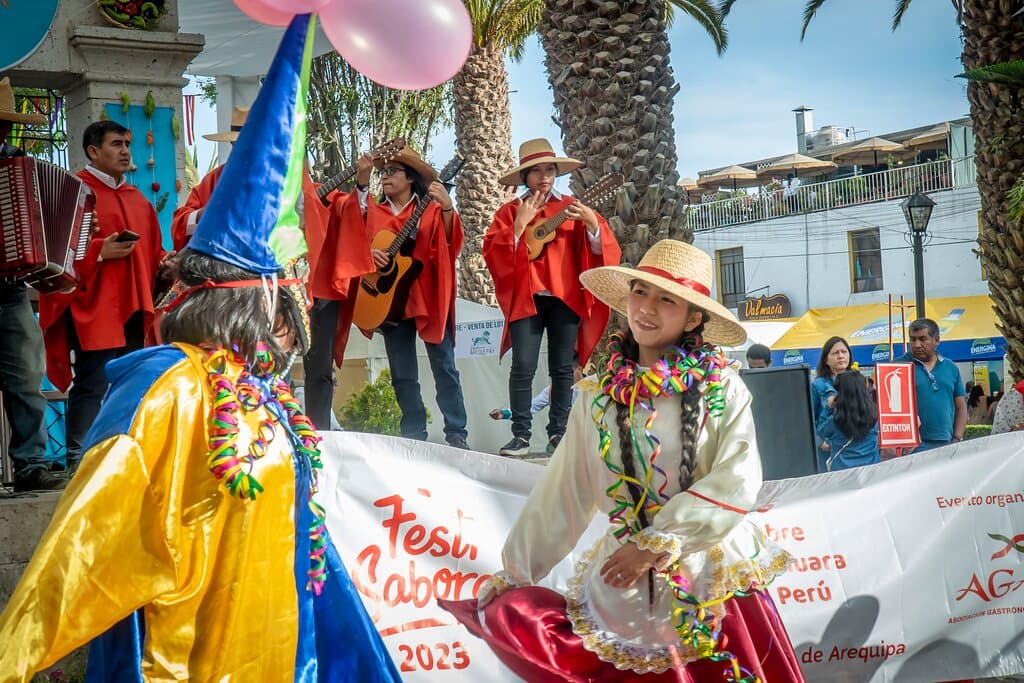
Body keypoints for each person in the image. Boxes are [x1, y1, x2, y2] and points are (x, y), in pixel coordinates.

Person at [0, 17, 401, 680]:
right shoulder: (171, 385)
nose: (291, 336)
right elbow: (86, 541)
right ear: (256, 306)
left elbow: (314, 562)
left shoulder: (269, 394)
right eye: (285, 314)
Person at [440, 239, 804, 682]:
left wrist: (656, 544)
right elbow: (563, 495)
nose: (646, 308)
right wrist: (516, 572)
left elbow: (738, 478)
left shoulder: (722, 388)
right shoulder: (594, 398)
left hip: (711, 580)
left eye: (666, 299)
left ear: (693, 317)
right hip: (626, 591)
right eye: (640, 292)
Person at [38, 120, 168, 470]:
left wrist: (171, 265)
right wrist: (97, 252)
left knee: (130, 382)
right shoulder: (74, 190)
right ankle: (79, 461)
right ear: (93, 151)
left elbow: (155, 254)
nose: (125, 150)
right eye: (116, 144)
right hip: (92, 305)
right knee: (93, 381)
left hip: (134, 305)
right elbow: (54, 250)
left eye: (127, 144)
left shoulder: (137, 198)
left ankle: (122, 460)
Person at [485, 138, 621, 457]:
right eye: (537, 171)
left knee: (562, 368)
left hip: (564, 297)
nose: (545, 177)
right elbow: (492, 254)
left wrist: (591, 226)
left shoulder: (572, 207)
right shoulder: (509, 211)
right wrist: (517, 228)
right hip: (527, 299)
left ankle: (558, 433)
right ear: (525, 177)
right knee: (523, 366)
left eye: (550, 170)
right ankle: (520, 435)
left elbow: (604, 251)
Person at [353, 147, 469, 449]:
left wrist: (447, 210)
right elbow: (352, 240)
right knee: (403, 375)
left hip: (428, 295)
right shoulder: (373, 211)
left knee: (444, 366)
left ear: (410, 178)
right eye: (383, 172)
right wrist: (369, 256)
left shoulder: (431, 208)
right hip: (390, 301)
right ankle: (414, 435)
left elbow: (450, 244)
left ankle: (456, 432)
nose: (385, 177)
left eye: (392, 171)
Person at [0, 77, 66, 491]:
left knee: (26, 380)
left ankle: (29, 465)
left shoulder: (19, 164)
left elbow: (40, 223)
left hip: (8, 291)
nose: (3, 131)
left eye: (4, 124)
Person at [169, 106, 248, 251]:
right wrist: (202, 214)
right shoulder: (214, 179)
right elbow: (179, 224)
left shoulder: (279, 179)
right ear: (232, 143)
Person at [897, 318, 967, 451]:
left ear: (937, 340)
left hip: (947, 443)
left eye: (923, 339)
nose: (917, 344)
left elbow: (961, 407)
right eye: (913, 339)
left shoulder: (950, 367)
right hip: (910, 448)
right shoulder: (897, 367)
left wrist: (957, 438)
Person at [818, 370, 879, 470]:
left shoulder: (836, 421)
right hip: (871, 469)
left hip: (842, 472)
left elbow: (821, 431)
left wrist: (828, 408)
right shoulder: (874, 417)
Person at [811, 336, 852, 470]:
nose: (841, 356)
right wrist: (819, 441)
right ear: (826, 359)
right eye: (835, 353)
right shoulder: (817, 385)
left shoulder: (858, 381)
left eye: (844, 352)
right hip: (828, 450)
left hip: (853, 446)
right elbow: (808, 419)